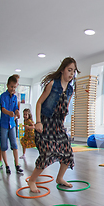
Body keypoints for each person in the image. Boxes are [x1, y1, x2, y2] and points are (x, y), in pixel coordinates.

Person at [27, 57, 79, 193]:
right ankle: (32, 180)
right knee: (47, 153)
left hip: (58, 126)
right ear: (62, 70)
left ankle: (60, 178)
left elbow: (65, 108)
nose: (71, 74)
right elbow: (39, 103)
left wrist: (61, 126)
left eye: (73, 71)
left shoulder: (70, 90)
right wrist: (38, 122)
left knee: (68, 152)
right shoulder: (52, 84)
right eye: (69, 70)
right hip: (45, 124)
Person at [0, 75, 23, 174]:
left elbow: (15, 108)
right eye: (11, 87)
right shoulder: (3, 96)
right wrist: (9, 113)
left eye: (14, 87)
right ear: (7, 85)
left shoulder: (15, 97)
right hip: (4, 124)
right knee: (4, 146)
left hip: (12, 125)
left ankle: (17, 165)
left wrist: (17, 112)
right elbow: (3, 109)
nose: (13, 89)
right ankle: (7, 165)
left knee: (15, 145)